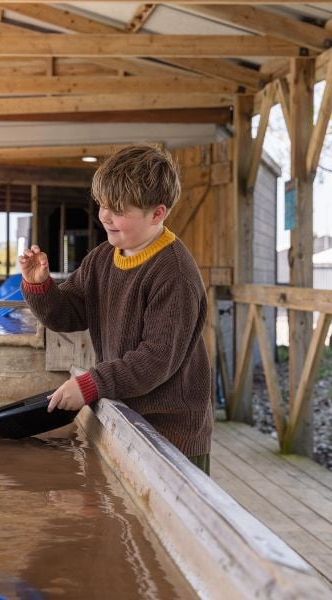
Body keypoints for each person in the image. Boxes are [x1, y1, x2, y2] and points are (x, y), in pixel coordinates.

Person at [19, 144, 213, 475]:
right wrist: (40, 285)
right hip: (124, 415)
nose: (105, 216)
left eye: (119, 210)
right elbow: (66, 315)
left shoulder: (174, 274)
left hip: (171, 435)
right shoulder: (101, 259)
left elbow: (155, 360)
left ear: (157, 213)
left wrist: (90, 384)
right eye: (102, 205)